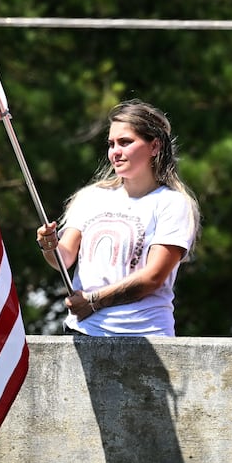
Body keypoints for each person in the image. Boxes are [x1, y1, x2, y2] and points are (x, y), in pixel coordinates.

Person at [35, 100, 199, 337]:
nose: (115, 152)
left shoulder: (172, 203)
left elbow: (153, 277)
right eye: (111, 144)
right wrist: (48, 244)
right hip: (83, 332)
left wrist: (93, 301)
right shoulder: (90, 197)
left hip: (145, 337)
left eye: (126, 142)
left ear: (154, 146)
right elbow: (64, 257)